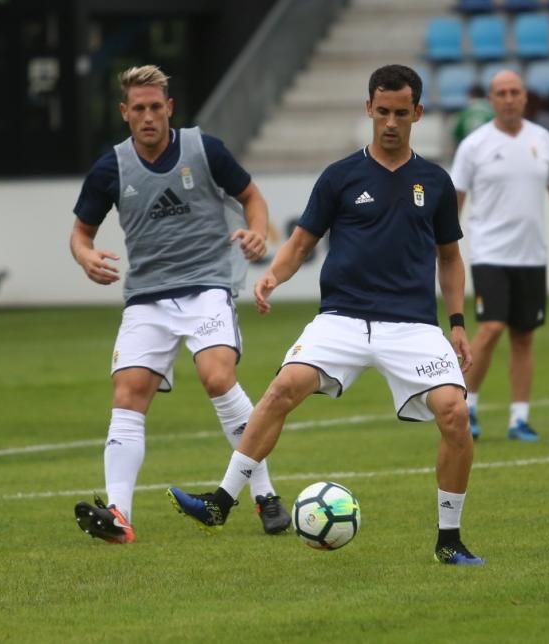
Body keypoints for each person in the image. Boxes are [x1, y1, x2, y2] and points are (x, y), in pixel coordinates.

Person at [167, 64, 484, 566]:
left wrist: (459, 323)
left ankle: (450, 539)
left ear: (417, 113)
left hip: (413, 326)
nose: (391, 123)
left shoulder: (435, 182)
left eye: (402, 113)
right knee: (282, 387)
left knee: (454, 415)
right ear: (369, 109)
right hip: (341, 318)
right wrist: (274, 275)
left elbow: (449, 256)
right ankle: (220, 502)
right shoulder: (340, 176)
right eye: (382, 112)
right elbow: (300, 242)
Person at [69, 64, 291, 544]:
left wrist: (256, 230)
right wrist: (86, 256)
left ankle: (265, 495)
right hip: (147, 297)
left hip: (207, 285)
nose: (148, 117)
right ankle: (120, 517)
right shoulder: (111, 167)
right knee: (128, 393)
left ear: (169, 108)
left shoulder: (204, 149)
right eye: (139, 109)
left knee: (217, 377)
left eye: (156, 107)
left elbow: (251, 196)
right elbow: (80, 233)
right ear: (124, 113)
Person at [450, 70, 549, 442]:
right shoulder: (474, 145)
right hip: (490, 253)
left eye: (515, 92)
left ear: (525, 97)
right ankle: (467, 407)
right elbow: (455, 202)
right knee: (491, 328)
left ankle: (519, 419)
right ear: (491, 100)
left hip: (531, 255)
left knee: (524, 336)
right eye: (501, 93)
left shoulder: (541, 139)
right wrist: (445, 247)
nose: (509, 98)